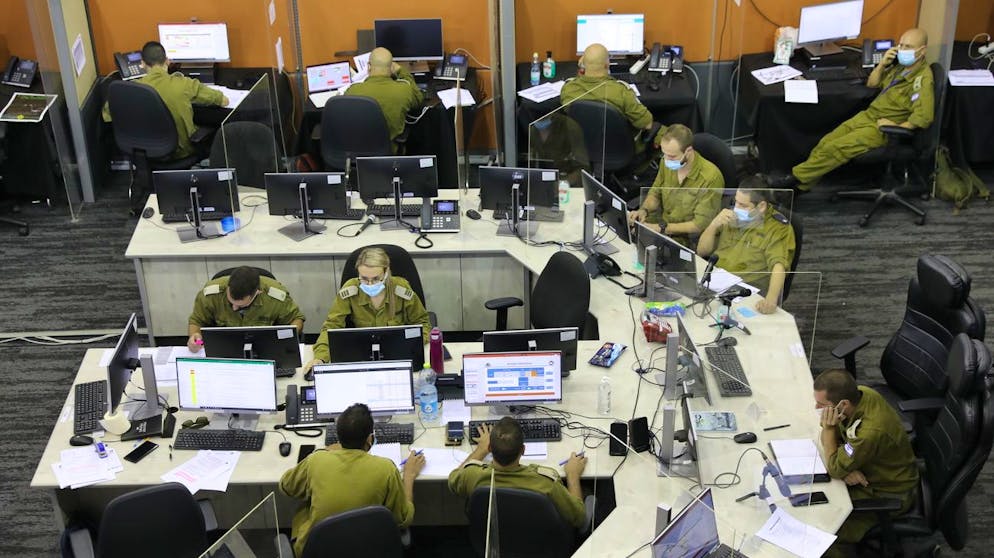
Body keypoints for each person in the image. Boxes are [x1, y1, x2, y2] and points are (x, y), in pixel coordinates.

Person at [770, 28, 933, 192]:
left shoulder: (923, 80)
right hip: (869, 116)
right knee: (825, 143)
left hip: (884, 129)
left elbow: (923, 117)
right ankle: (800, 188)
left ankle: (794, 179)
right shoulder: (901, 68)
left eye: (908, 47)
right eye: (901, 45)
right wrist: (882, 64)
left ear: (922, 51)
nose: (902, 50)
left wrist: (897, 127)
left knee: (835, 148)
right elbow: (872, 84)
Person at [279, 403, 425, 555]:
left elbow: (286, 486)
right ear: (370, 439)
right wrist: (409, 475)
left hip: (318, 551)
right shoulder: (386, 469)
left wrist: (324, 452)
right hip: (370, 549)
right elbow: (403, 519)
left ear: (338, 436)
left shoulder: (316, 461)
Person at [813, 369, 918, 558]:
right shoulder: (862, 393)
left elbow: (835, 467)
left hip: (887, 494)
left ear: (843, 404)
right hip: (873, 473)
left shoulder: (870, 432)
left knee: (821, 535)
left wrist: (828, 429)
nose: (816, 408)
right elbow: (842, 447)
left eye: (822, 405)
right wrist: (844, 467)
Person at [448, 418, 588, 529]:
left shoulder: (473, 475)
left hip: (492, 543)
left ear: (490, 448)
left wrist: (480, 450)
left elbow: (453, 479)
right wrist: (573, 475)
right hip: (539, 545)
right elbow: (579, 517)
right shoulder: (546, 483)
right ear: (523, 450)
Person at [101, 41, 228, 160]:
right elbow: (223, 100)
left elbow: (107, 115)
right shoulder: (185, 84)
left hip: (143, 152)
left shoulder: (129, 90)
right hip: (181, 153)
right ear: (167, 61)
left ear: (143, 64)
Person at [308, 247, 431, 370]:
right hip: (362, 354)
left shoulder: (401, 289)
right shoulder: (350, 290)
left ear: (386, 272)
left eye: (376, 279)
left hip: (398, 353)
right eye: (364, 279)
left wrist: (412, 344)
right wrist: (320, 358)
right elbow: (331, 327)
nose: (370, 284)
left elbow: (422, 323)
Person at [696, 178, 795, 314]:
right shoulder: (728, 216)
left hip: (746, 291)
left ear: (761, 206)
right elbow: (701, 251)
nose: (736, 208)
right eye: (735, 202)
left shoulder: (777, 228)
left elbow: (778, 265)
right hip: (715, 282)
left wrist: (771, 300)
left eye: (743, 205)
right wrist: (714, 225)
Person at [627, 124, 724, 247]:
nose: (666, 159)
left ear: (688, 151)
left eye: (672, 156)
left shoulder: (711, 178)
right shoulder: (666, 162)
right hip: (663, 228)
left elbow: (699, 225)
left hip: (688, 240)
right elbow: (655, 193)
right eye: (664, 154)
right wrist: (644, 210)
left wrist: (660, 229)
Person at [560, 43, 654, 153]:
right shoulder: (621, 91)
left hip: (583, 152)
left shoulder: (568, 89)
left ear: (582, 64)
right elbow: (647, 124)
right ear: (607, 65)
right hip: (619, 151)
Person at [187, 266, 305, 351]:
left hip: (263, 348)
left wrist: (283, 341)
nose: (234, 308)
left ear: (257, 293)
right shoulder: (211, 294)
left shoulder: (275, 296)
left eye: (240, 305)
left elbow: (296, 319)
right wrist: (195, 337)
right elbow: (197, 321)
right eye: (231, 302)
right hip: (225, 347)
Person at [344, 47, 424, 145]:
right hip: (389, 152)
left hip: (358, 152)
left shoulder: (352, 91)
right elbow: (418, 100)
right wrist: (401, 72)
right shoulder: (404, 90)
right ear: (391, 68)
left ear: (369, 67)